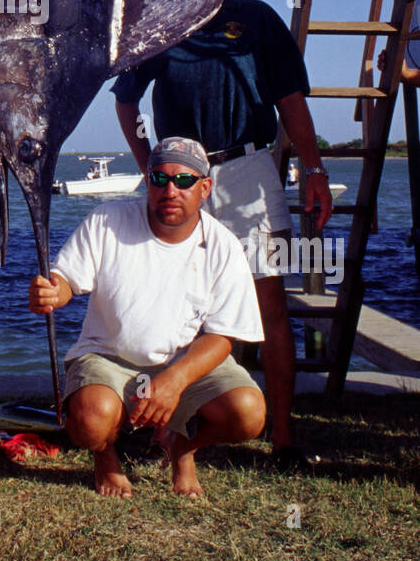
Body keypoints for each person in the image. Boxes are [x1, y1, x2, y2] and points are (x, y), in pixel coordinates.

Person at [112, 0, 332, 470]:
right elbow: (125, 104)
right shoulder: (159, 24)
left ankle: (283, 439)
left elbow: (290, 101)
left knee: (269, 304)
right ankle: (163, 432)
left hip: (249, 170)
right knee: (169, 306)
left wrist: (314, 169)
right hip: (182, 179)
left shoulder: (255, 18)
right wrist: (151, 169)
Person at [29, 138, 266, 499]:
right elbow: (67, 280)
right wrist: (52, 292)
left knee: (248, 413)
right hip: (107, 359)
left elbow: (224, 336)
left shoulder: (225, 246)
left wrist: (173, 381)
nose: (170, 190)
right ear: (147, 181)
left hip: (182, 363)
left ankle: (182, 446)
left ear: (205, 188)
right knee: (91, 423)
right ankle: (105, 458)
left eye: (184, 181)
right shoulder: (106, 220)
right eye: (159, 178)